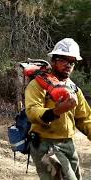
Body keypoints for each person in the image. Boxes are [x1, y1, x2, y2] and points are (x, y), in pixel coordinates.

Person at [25, 38, 91, 180]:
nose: (69, 65)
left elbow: (85, 118)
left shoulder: (73, 88)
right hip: (45, 145)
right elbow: (32, 112)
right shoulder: (38, 85)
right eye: (64, 60)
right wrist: (57, 111)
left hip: (68, 145)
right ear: (53, 60)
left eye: (72, 62)